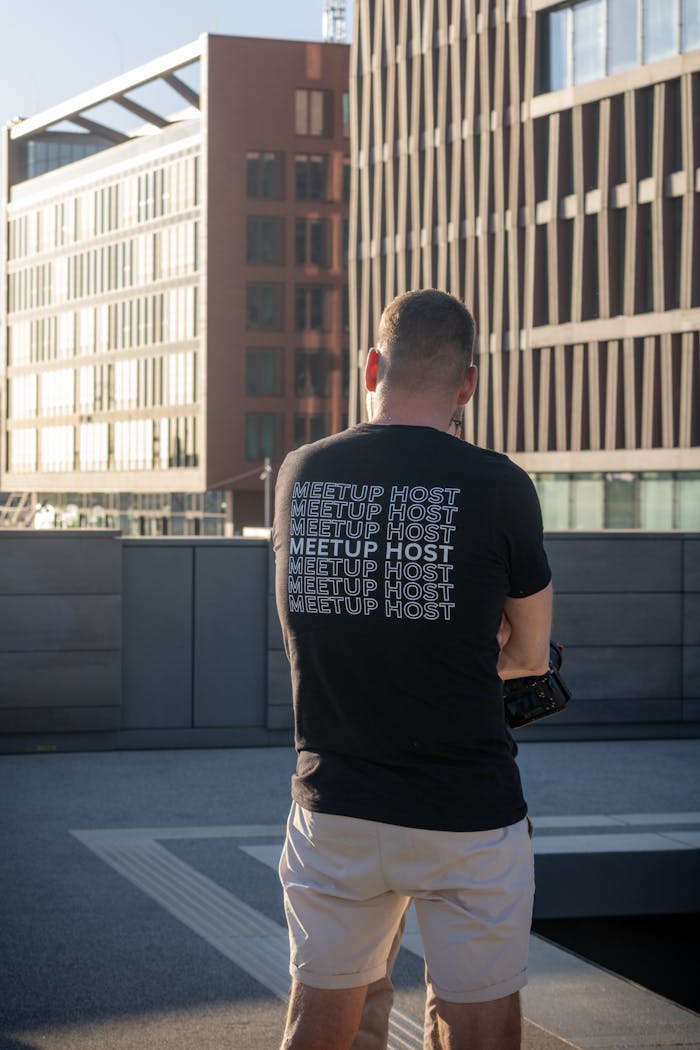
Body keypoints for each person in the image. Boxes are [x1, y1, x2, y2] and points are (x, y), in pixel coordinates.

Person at [272, 289, 553, 1050]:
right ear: (467, 383)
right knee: (478, 1023)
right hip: (466, 811)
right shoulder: (501, 485)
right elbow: (528, 657)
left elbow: (315, 632)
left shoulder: (302, 473)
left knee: (319, 1016)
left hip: (337, 806)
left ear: (372, 366)